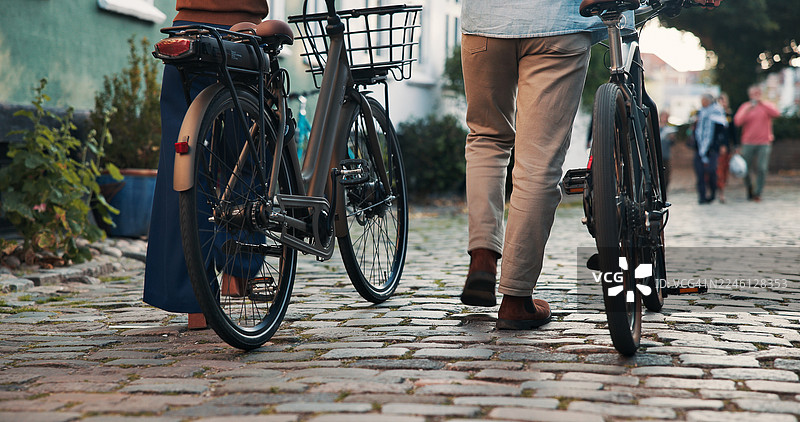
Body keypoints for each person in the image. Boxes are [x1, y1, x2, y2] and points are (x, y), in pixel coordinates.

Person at [458, 0, 723, 330]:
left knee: (487, 138)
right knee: (538, 164)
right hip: (557, 24)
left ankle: (483, 258)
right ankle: (516, 299)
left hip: (485, 22)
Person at [143, 1, 270, 330]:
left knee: (181, 164)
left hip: (186, 32)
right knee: (246, 154)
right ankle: (236, 271)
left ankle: (194, 303)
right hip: (242, 32)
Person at [734, 86, 780, 202]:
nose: (756, 95)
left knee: (762, 168)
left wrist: (762, 104)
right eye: (754, 93)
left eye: (758, 93)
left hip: (764, 142)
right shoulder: (745, 107)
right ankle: (749, 188)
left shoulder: (766, 106)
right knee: (745, 168)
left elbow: (776, 113)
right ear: (750, 95)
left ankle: (758, 192)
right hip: (748, 142)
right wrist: (748, 108)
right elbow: (737, 121)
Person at [692, 93, 728, 204]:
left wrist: (723, 145)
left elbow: (723, 130)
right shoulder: (700, 112)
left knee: (712, 171)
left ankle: (712, 193)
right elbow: (695, 129)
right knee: (700, 172)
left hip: (712, 147)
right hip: (699, 146)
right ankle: (702, 196)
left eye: (704, 100)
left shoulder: (717, 111)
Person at [715, 93, 737, 203]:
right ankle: (714, 191)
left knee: (723, 170)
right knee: (715, 170)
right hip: (715, 148)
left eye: (723, 101)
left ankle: (721, 192)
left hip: (726, 148)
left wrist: (736, 145)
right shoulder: (714, 115)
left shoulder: (729, 115)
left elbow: (733, 132)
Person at [659, 111, 676, 191]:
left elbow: (672, 143)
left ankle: (665, 189)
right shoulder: (657, 128)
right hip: (658, 154)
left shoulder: (669, 128)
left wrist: (671, 138)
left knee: (666, 174)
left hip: (666, 154)